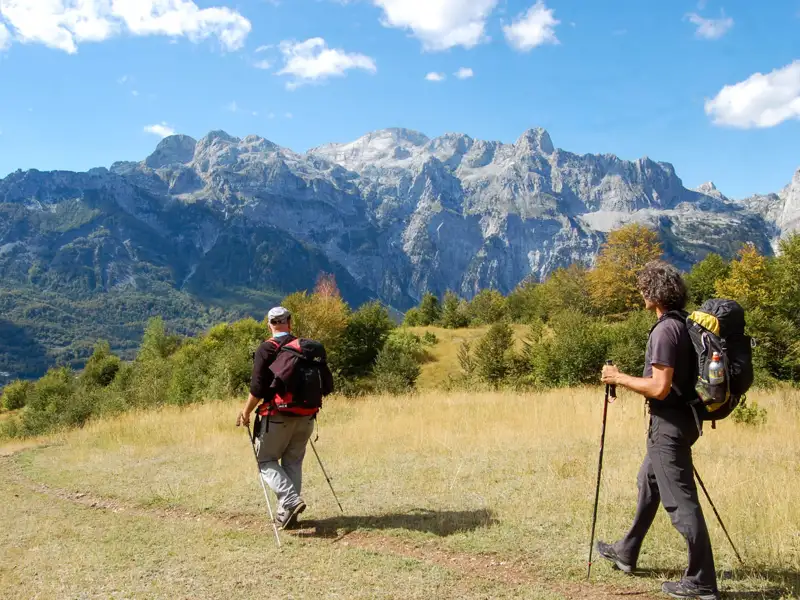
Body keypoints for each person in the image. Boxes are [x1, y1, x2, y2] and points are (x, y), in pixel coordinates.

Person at [597, 261, 719, 600]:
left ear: (653, 294)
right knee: (648, 482)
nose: (640, 294)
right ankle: (626, 551)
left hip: (668, 427)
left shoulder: (665, 331)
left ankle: (702, 582)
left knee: (681, 505)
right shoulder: (684, 325)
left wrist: (617, 378)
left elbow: (659, 387)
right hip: (684, 421)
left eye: (643, 289)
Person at [236, 306, 318, 530]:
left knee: (265, 461)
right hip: (307, 416)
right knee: (293, 462)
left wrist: (245, 413)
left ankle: (290, 501)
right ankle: (287, 515)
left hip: (277, 416)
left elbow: (257, 389)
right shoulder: (304, 348)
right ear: (290, 322)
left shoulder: (267, 349)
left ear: (269, 324)